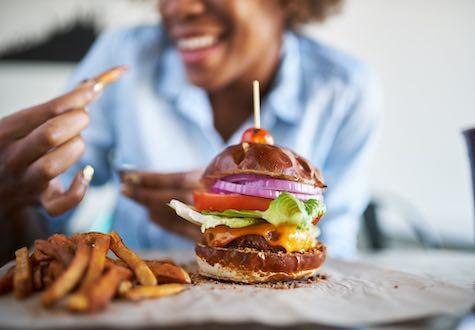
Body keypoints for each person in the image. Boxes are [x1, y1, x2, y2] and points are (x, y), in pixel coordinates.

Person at [1, 0, 381, 257]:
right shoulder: (124, 58)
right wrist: (10, 199)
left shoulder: (342, 90)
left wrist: (247, 225)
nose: (178, 7)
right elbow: (43, 221)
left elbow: (336, 254)